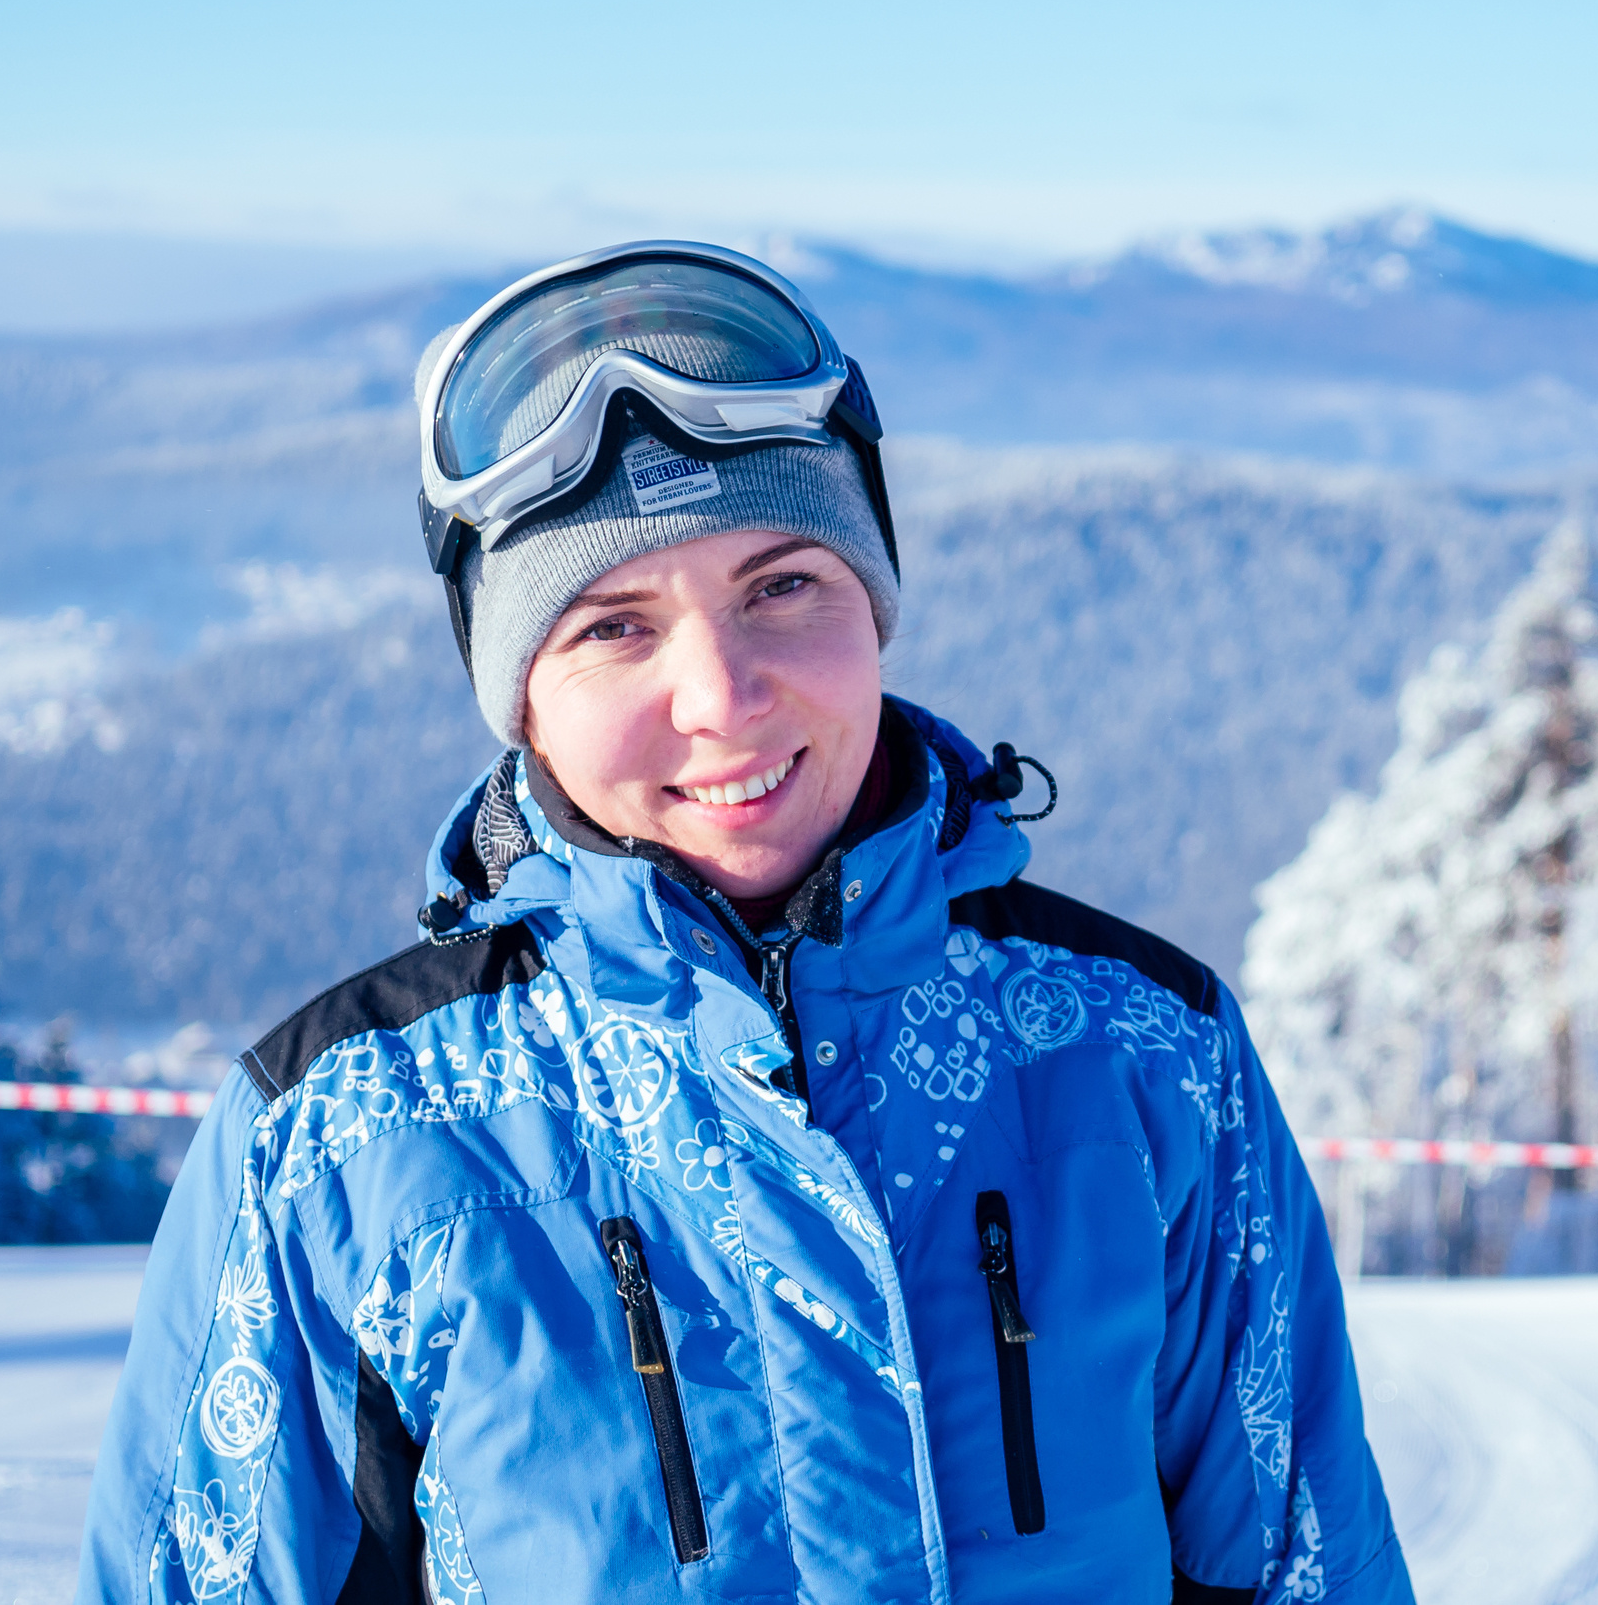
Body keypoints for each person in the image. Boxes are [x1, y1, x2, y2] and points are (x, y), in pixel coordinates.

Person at [77, 242, 1410, 1605]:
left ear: (876, 611)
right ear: (518, 692)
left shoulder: (1141, 1056)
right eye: (611, 627)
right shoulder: (342, 1141)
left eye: (785, 586)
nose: (723, 697)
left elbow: (1310, 1567)